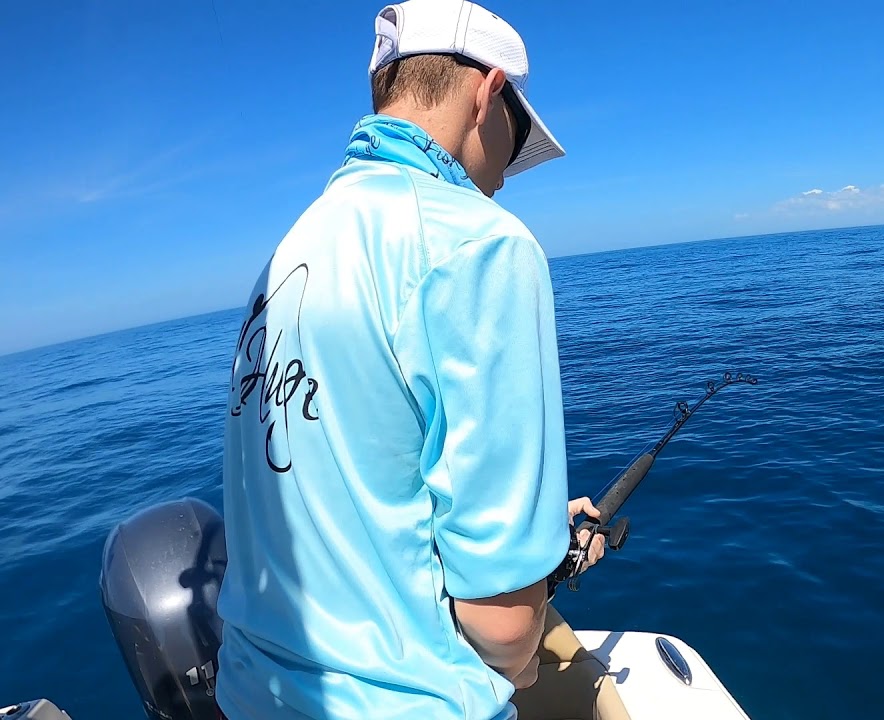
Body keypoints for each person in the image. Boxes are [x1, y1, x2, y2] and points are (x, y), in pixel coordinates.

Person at [214, 1, 604, 718]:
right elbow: (504, 631)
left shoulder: (285, 258)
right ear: (487, 94)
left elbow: (363, 490)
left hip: (251, 695)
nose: (508, 178)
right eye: (514, 147)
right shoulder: (481, 242)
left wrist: (538, 527)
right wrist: (539, 571)